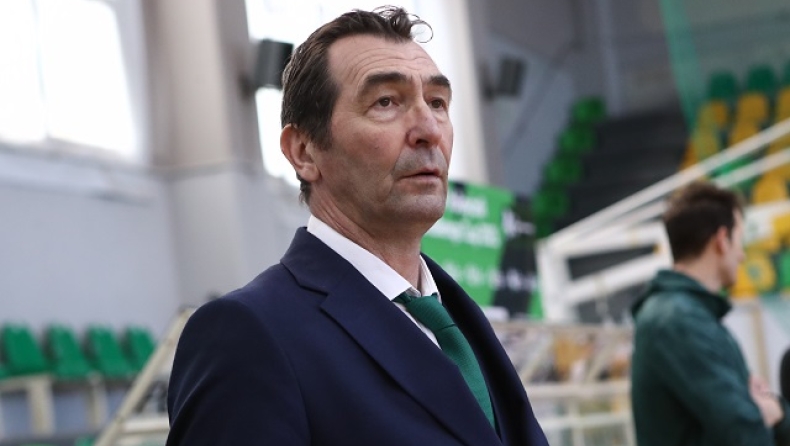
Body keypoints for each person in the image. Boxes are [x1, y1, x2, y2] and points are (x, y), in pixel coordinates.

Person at [166, 7, 548, 445]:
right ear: (304, 151)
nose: (429, 129)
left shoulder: (459, 318)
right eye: (386, 102)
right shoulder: (248, 335)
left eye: (438, 103)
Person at [630, 181, 790, 446]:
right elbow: (740, 426)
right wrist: (762, 411)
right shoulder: (677, 321)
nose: (742, 255)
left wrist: (760, 406)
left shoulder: (684, 316)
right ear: (722, 240)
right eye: (739, 241)